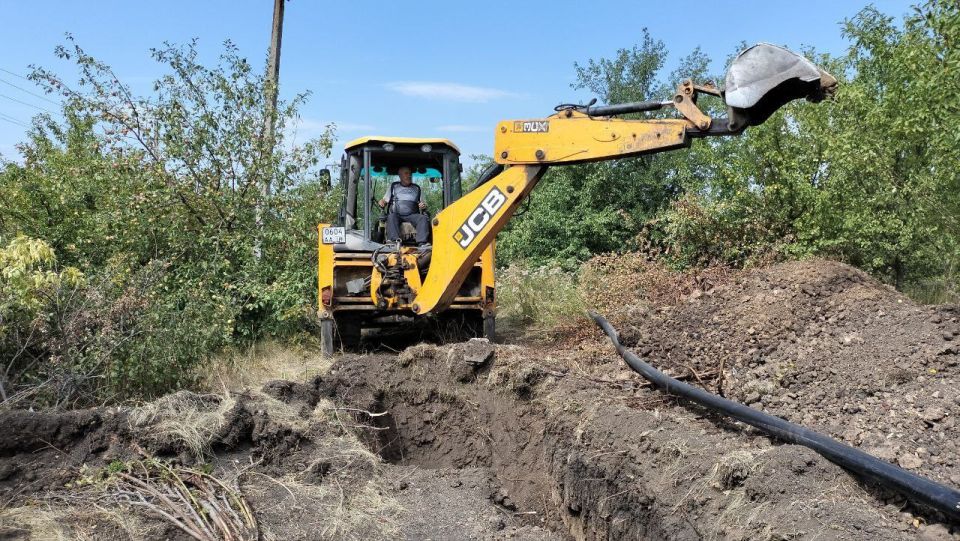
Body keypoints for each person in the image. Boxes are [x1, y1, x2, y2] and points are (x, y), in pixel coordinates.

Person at [378, 166, 430, 246]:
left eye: (410, 174)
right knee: (391, 217)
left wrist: (423, 205)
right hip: (397, 214)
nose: (409, 175)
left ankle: (422, 243)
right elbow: (384, 200)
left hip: (412, 215)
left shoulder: (417, 188)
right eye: (406, 173)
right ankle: (394, 241)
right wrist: (382, 201)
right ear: (400, 175)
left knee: (423, 218)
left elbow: (424, 204)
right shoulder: (393, 186)